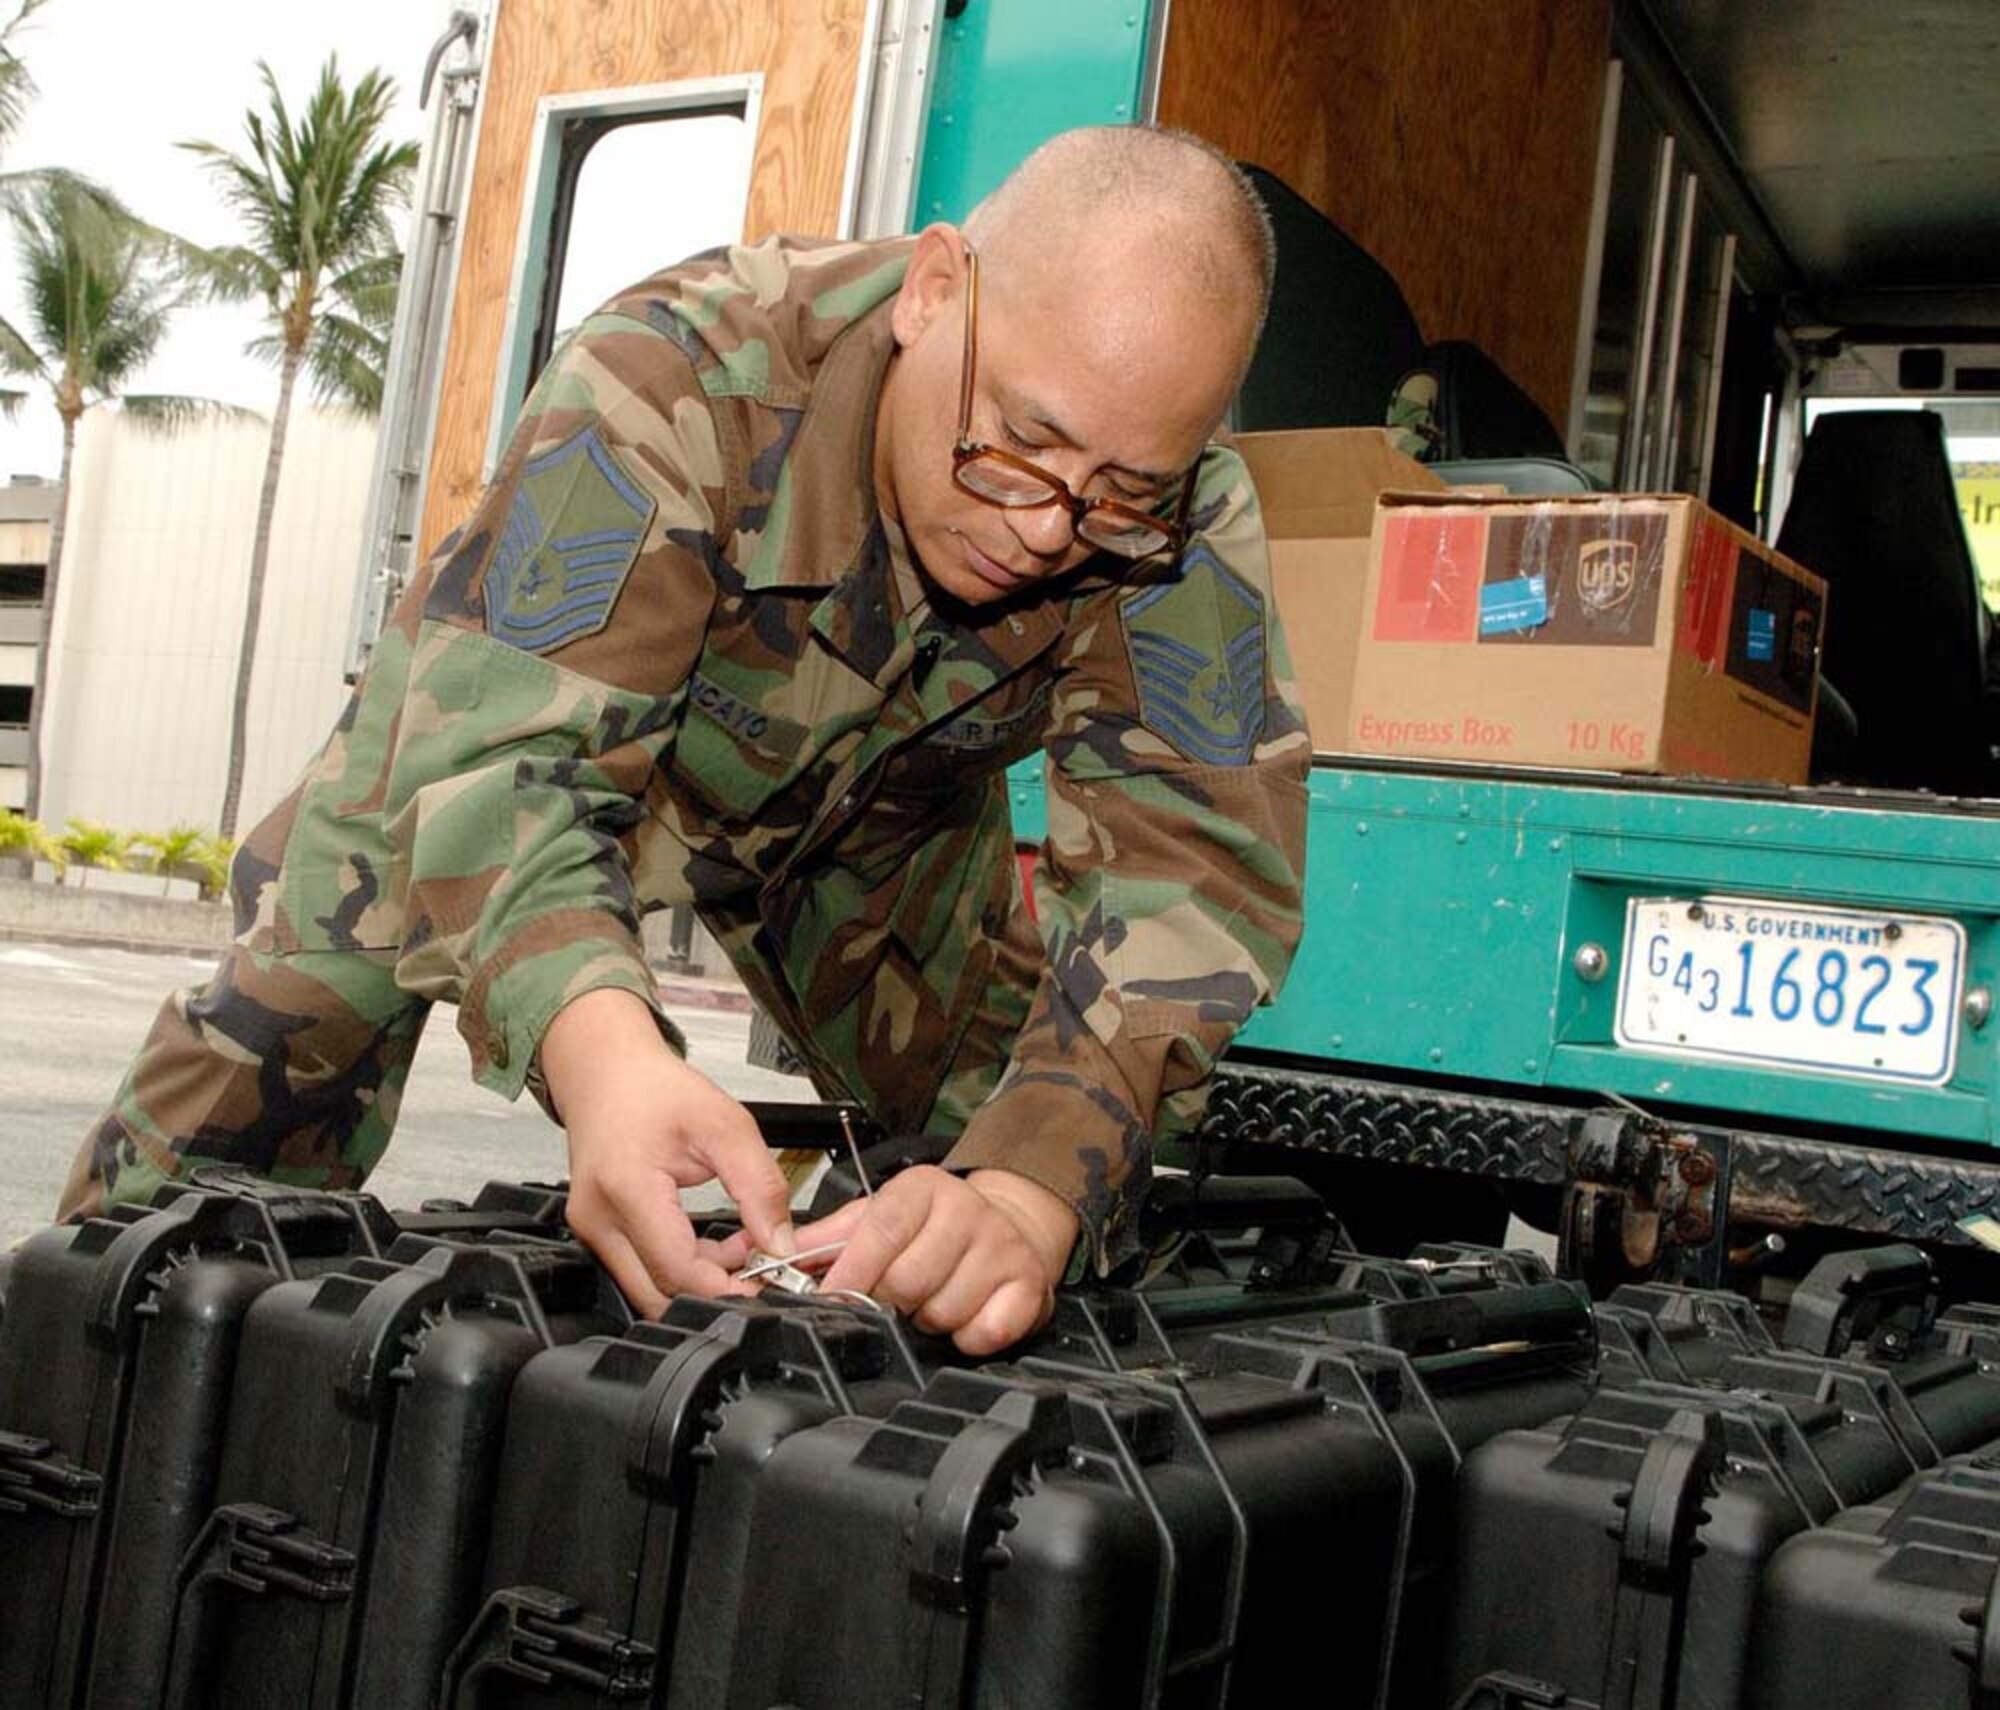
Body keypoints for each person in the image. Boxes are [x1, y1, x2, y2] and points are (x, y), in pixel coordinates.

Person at [57, 124, 1310, 1354]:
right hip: (538, 742)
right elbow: (495, 770)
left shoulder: (1171, 506)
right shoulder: (676, 378)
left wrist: (1021, 1207)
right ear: (933, 294)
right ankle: (76, 1377)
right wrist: (606, 1059)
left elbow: (1190, 877)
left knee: (1044, 1145)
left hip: (880, 825)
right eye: (1020, 446)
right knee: (290, 1025)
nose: (1049, 529)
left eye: (1120, 493)